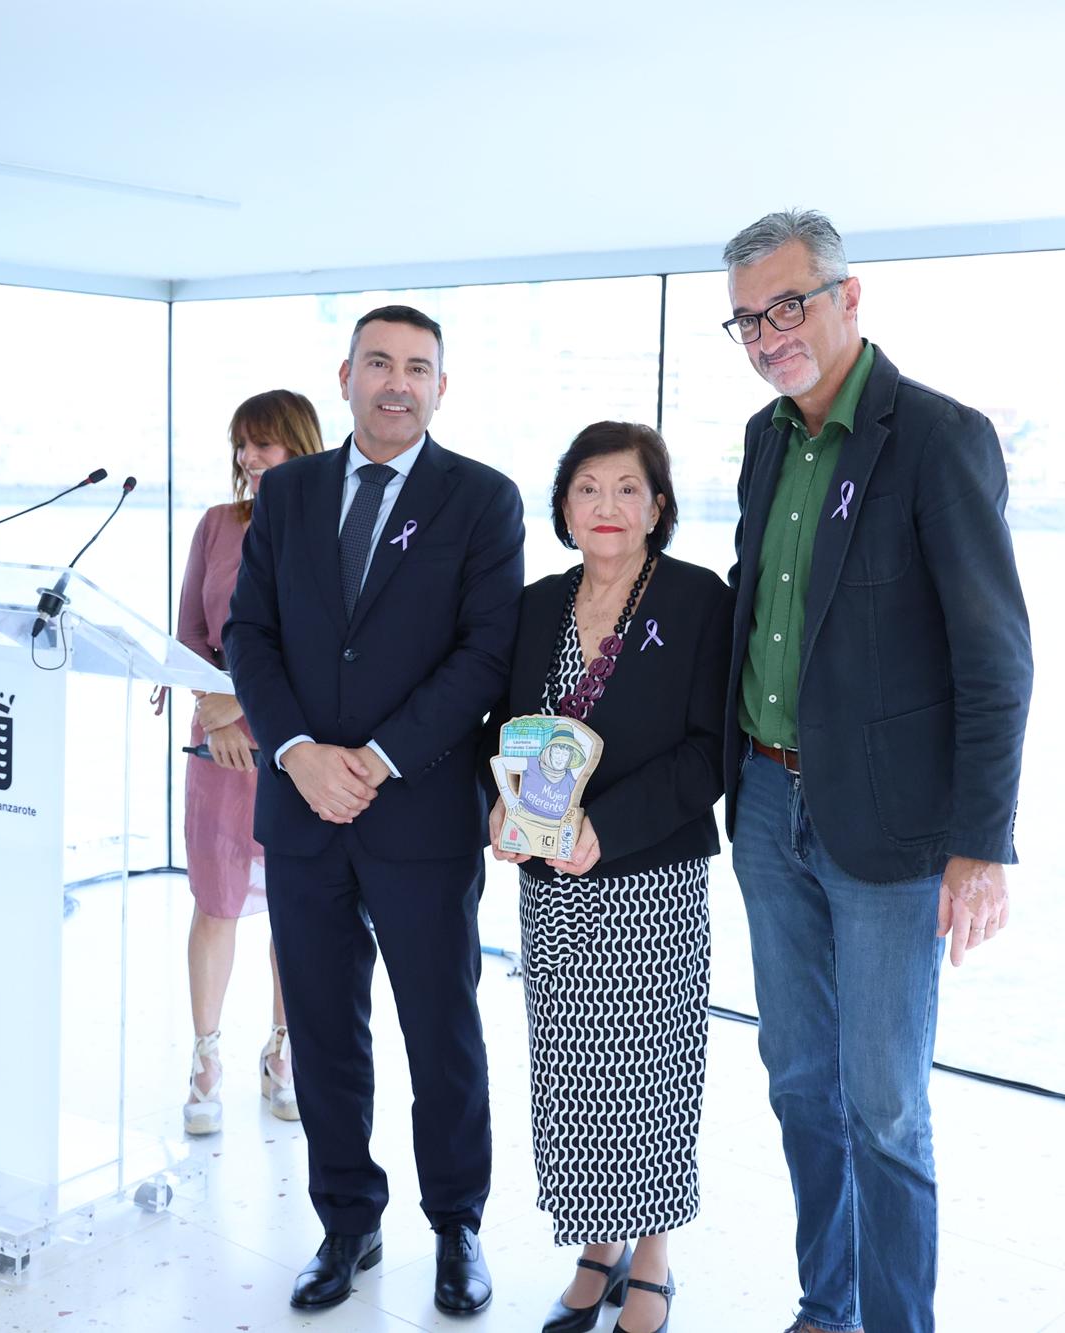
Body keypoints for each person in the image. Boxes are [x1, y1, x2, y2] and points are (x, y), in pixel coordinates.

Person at [718, 211, 1034, 1333]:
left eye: (787, 304)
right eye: (748, 318)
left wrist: (981, 843)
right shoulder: (764, 439)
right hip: (762, 803)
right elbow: (755, 612)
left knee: (885, 1102)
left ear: (851, 298)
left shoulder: (938, 438)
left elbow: (995, 657)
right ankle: (828, 1303)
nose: (768, 334)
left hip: (891, 826)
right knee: (797, 1080)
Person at [223, 305, 524, 1316]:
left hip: (421, 813)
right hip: (302, 809)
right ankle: (345, 1220)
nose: (398, 383)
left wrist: (381, 757)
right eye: (380, 364)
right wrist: (300, 753)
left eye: (419, 369)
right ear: (345, 375)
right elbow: (247, 634)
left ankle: (456, 1226)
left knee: (440, 1030)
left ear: (443, 386)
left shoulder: (482, 500)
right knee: (321, 1026)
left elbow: (484, 654)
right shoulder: (292, 490)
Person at [485, 421, 730, 1333]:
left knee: (654, 1072)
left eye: (629, 489)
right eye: (589, 488)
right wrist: (500, 808)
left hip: (649, 882)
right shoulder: (535, 605)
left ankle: (654, 1257)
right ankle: (598, 1242)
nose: (608, 506)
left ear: (658, 506)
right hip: (551, 884)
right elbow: (498, 731)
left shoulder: (698, 599)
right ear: (562, 506)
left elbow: (712, 752)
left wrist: (607, 827)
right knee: (576, 1073)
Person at [175, 389, 324, 1133]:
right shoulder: (215, 526)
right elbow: (189, 638)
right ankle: (205, 1059)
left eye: (264, 444)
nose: (249, 458)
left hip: (294, 751)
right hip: (217, 749)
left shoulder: (328, 527)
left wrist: (245, 710)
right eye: (243, 444)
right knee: (216, 903)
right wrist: (213, 708)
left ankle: (284, 1052)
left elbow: (327, 653)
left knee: (294, 912)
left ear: (301, 444)